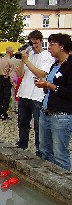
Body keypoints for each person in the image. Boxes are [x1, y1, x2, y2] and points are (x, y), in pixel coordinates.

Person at [34, 33, 72, 170]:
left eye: (52, 44)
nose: (48, 47)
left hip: (61, 116)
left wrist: (49, 86)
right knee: (44, 150)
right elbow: (50, 87)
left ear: (62, 46)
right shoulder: (55, 64)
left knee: (60, 154)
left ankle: (65, 186)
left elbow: (69, 92)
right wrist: (44, 86)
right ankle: (48, 180)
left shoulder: (70, 65)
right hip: (46, 112)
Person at [16, 30, 54, 156]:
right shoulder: (29, 54)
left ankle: (40, 149)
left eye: (36, 43)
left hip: (37, 95)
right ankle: (22, 143)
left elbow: (41, 74)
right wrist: (22, 60)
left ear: (41, 42)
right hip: (24, 93)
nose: (33, 46)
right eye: (31, 43)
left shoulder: (48, 56)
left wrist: (27, 61)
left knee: (38, 125)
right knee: (23, 122)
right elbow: (19, 74)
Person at [0, 47, 16, 120]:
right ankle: (4, 113)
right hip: (6, 78)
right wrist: (13, 83)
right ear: (10, 52)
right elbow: (11, 74)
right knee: (6, 97)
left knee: (0, 96)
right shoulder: (10, 61)